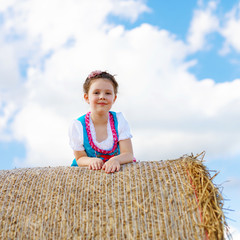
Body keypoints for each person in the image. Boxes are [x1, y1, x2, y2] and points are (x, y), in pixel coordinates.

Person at [68, 70, 136, 173]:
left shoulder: (119, 120)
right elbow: (80, 158)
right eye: (96, 92)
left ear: (114, 98)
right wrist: (90, 161)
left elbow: (128, 154)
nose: (102, 97)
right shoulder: (78, 126)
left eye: (108, 93)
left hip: (117, 172)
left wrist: (115, 160)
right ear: (87, 98)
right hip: (88, 175)